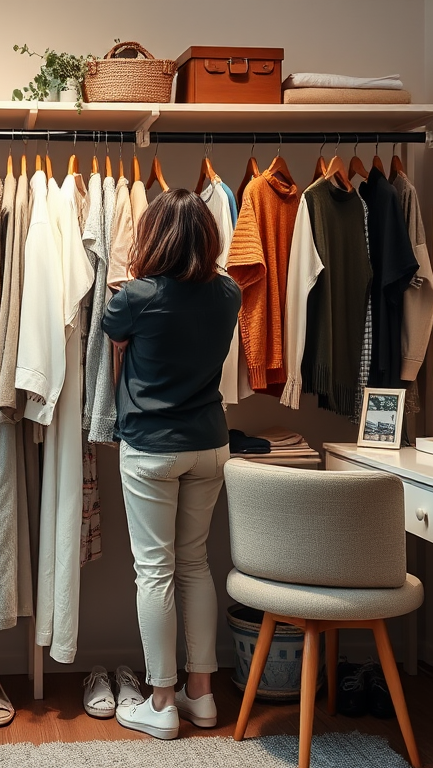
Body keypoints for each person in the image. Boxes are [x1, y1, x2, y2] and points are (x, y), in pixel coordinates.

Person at [101, 189, 241, 740]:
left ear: (154, 236)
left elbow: (114, 333)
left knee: (155, 570)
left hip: (152, 447)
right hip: (210, 443)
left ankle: (160, 702)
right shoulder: (227, 293)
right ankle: (201, 695)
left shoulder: (134, 296)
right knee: (195, 565)